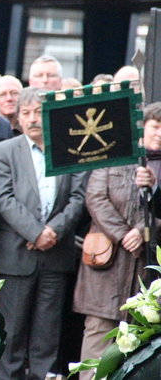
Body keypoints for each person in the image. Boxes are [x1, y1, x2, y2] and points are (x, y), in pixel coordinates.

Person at [0, 87, 86, 380]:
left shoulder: (71, 148)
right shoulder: (4, 150)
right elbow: (4, 197)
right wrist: (35, 233)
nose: (33, 119)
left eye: (39, 112)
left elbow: (79, 197)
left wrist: (52, 232)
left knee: (47, 337)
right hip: (16, 256)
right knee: (12, 335)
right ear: (17, 118)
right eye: (26, 113)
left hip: (56, 256)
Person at [73, 103, 161, 380]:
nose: (160, 133)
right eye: (155, 126)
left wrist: (142, 230)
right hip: (106, 266)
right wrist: (124, 234)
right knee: (98, 336)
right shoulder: (115, 156)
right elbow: (95, 198)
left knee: (136, 343)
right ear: (142, 127)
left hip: (144, 269)